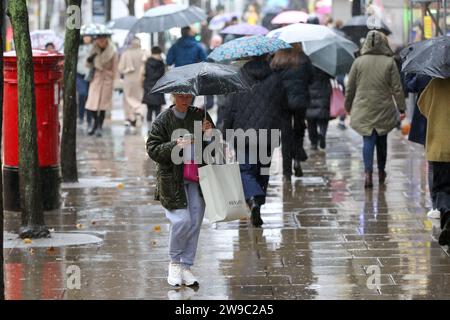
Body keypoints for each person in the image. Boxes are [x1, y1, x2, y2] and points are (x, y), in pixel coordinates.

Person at [146, 93, 214, 287]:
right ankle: (175, 262)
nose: (185, 100)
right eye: (181, 96)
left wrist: (209, 136)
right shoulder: (163, 120)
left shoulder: (201, 115)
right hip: (172, 179)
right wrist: (175, 145)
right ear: (173, 96)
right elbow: (152, 149)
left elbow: (214, 148)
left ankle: (186, 265)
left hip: (198, 177)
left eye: (189, 96)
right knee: (181, 220)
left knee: (194, 221)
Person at [222, 55, 286, 227]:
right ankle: (257, 201)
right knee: (262, 170)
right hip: (268, 133)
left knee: (245, 171)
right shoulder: (275, 78)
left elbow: (229, 108)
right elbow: (282, 106)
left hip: (242, 133)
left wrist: (225, 131)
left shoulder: (238, 78)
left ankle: (253, 200)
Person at [345, 30, 406, 188]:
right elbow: (397, 88)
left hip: (363, 106)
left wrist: (347, 105)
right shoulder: (389, 62)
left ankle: (367, 173)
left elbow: (350, 87)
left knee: (368, 139)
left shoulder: (358, 62)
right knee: (382, 139)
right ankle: (381, 171)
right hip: (383, 106)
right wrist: (401, 108)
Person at [270, 43, 313, 181]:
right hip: (300, 101)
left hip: (282, 103)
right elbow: (311, 79)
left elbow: (271, 80)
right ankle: (297, 160)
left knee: (286, 135)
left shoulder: (276, 60)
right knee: (299, 130)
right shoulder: (303, 59)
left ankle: (286, 172)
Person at [417, 77, 450, 246]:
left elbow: (422, 106)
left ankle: (448, 214)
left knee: (442, 188)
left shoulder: (436, 82)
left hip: (439, 147)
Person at [404, 73, 436, 218]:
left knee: (433, 162)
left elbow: (410, 86)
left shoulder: (425, 72)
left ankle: (436, 204)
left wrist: (410, 74)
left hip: (428, 121)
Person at [85, 35, 119, 137]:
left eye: (103, 39)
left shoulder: (112, 51)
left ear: (107, 40)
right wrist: (90, 59)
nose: (101, 41)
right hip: (96, 79)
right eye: (99, 39)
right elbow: (87, 65)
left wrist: (115, 81)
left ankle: (99, 126)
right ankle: (95, 124)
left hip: (106, 80)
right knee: (92, 105)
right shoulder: (94, 49)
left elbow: (115, 68)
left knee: (103, 106)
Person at [118, 37, 145, 129]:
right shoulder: (143, 53)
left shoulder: (126, 54)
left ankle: (129, 118)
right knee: (139, 97)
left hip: (128, 80)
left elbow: (120, 68)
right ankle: (139, 112)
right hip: (140, 80)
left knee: (128, 98)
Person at [307, 66, 332, 150]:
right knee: (323, 119)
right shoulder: (325, 65)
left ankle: (313, 142)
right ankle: (322, 134)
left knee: (311, 120)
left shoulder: (307, 64)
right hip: (323, 94)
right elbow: (332, 76)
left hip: (309, 95)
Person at [142, 46, 166, 128]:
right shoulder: (161, 64)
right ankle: (156, 127)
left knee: (149, 110)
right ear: (159, 54)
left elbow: (146, 75)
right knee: (157, 111)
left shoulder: (147, 62)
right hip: (158, 88)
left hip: (149, 88)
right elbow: (161, 75)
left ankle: (149, 128)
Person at [76, 35, 93, 127]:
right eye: (85, 36)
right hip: (80, 73)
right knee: (82, 95)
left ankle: (89, 118)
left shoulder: (94, 48)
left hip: (90, 75)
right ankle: (81, 116)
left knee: (89, 97)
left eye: (88, 36)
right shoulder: (79, 47)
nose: (86, 38)